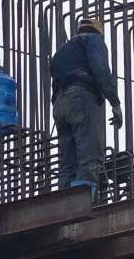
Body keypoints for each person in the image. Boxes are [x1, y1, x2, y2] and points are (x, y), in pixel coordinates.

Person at [49, 16, 124, 196]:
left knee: (68, 161)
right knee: (89, 155)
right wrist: (115, 102)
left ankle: (63, 202)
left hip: (59, 105)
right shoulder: (93, 40)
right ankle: (83, 202)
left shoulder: (62, 51)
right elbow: (101, 70)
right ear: (98, 31)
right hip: (81, 98)